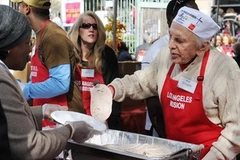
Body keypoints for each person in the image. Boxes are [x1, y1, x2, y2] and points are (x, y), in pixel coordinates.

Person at [103, 6, 240, 159]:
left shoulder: (224, 69)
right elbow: (140, 82)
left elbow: (236, 130)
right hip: (174, 154)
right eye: (171, 37)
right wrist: (113, 89)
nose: (170, 45)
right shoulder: (166, 58)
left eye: (179, 40)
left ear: (202, 47)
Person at [0, 5, 101, 160]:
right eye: (27, 43)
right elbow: (32, 147)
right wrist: (70, 130)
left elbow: (7, 119)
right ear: (10, 47)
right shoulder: (3, 81)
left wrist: (43, 111)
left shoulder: (52, 35)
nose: (30, 49)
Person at [11, 0, 84, 127]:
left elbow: (61, 84)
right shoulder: (41, 35)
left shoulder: (53, 37)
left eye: (19, 7)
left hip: (62, 121)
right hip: (49, 118)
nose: (18, 11)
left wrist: (25, 89)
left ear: (27, 9)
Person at [142, 0, 199, 138]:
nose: (197, 21)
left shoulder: (197, 46)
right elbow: (153, 103)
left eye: (197, 15)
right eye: (190, 16)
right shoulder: (157, 52)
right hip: (165, 133)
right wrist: (168, 139)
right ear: (171, 20)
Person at [67, 11, 121, 130]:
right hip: (74, 120)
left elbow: (114, 89)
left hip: (99, 123)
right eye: (86, 26)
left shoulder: (107, 55)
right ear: (78, 30)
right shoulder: (69, 54)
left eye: (95, 27)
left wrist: (113, 124)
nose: (91, 29)